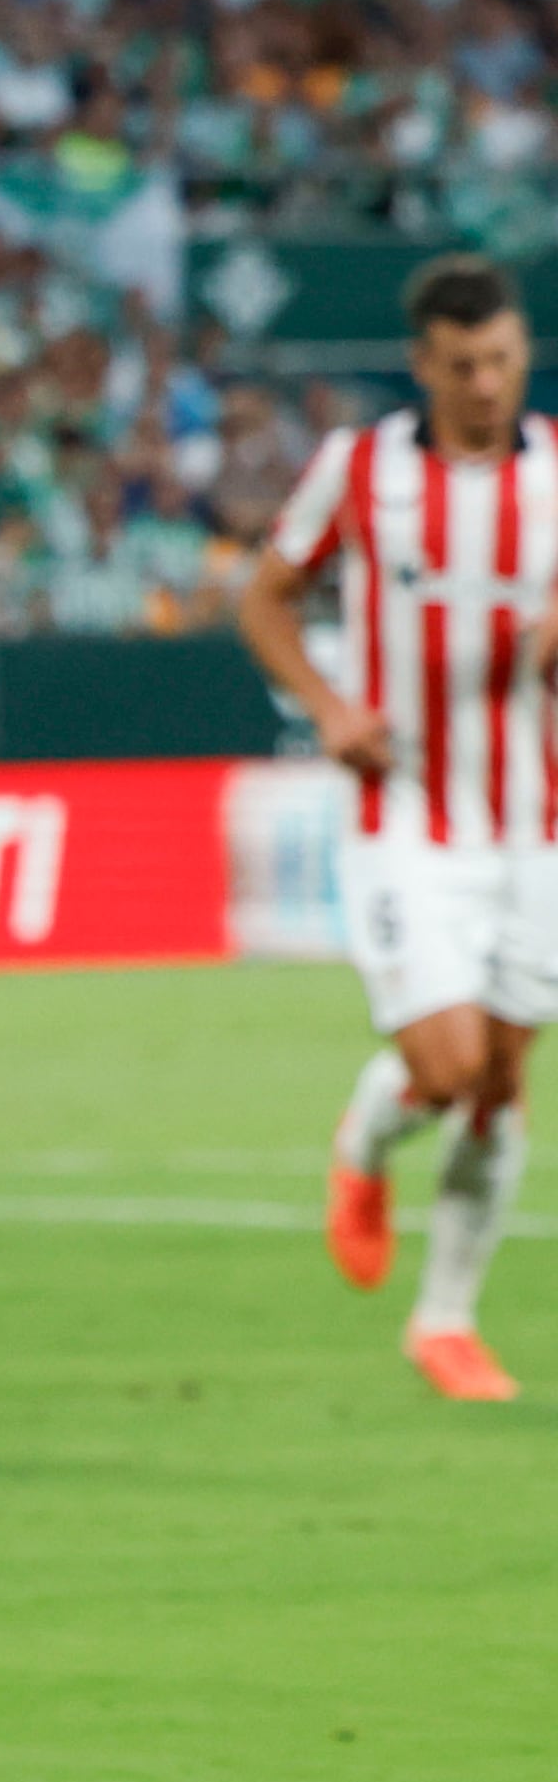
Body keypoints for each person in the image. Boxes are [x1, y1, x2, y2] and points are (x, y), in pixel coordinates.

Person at [240, 254, 558, 1400]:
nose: (486, 384)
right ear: (423, 364)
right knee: (444, 1058)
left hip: (534, 823)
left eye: (504, 361)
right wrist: (325, 706)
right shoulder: (357, 470)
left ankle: (445, 1322)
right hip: (406, 812)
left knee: (500, 1078)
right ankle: (362, 1148)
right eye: (464, 365)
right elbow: (262, 597)